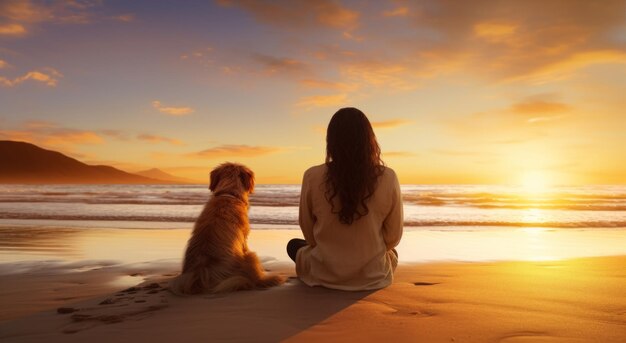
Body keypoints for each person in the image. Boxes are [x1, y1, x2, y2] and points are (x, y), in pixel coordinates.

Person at [287, 107, 403, 291]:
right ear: (369, 140)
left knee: (293, 245)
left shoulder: (312, 175)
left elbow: (309, 233)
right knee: (392, 253)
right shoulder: (388, 177)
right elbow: (392, 237)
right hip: (372, 276)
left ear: (331, 142)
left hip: (324, 272)